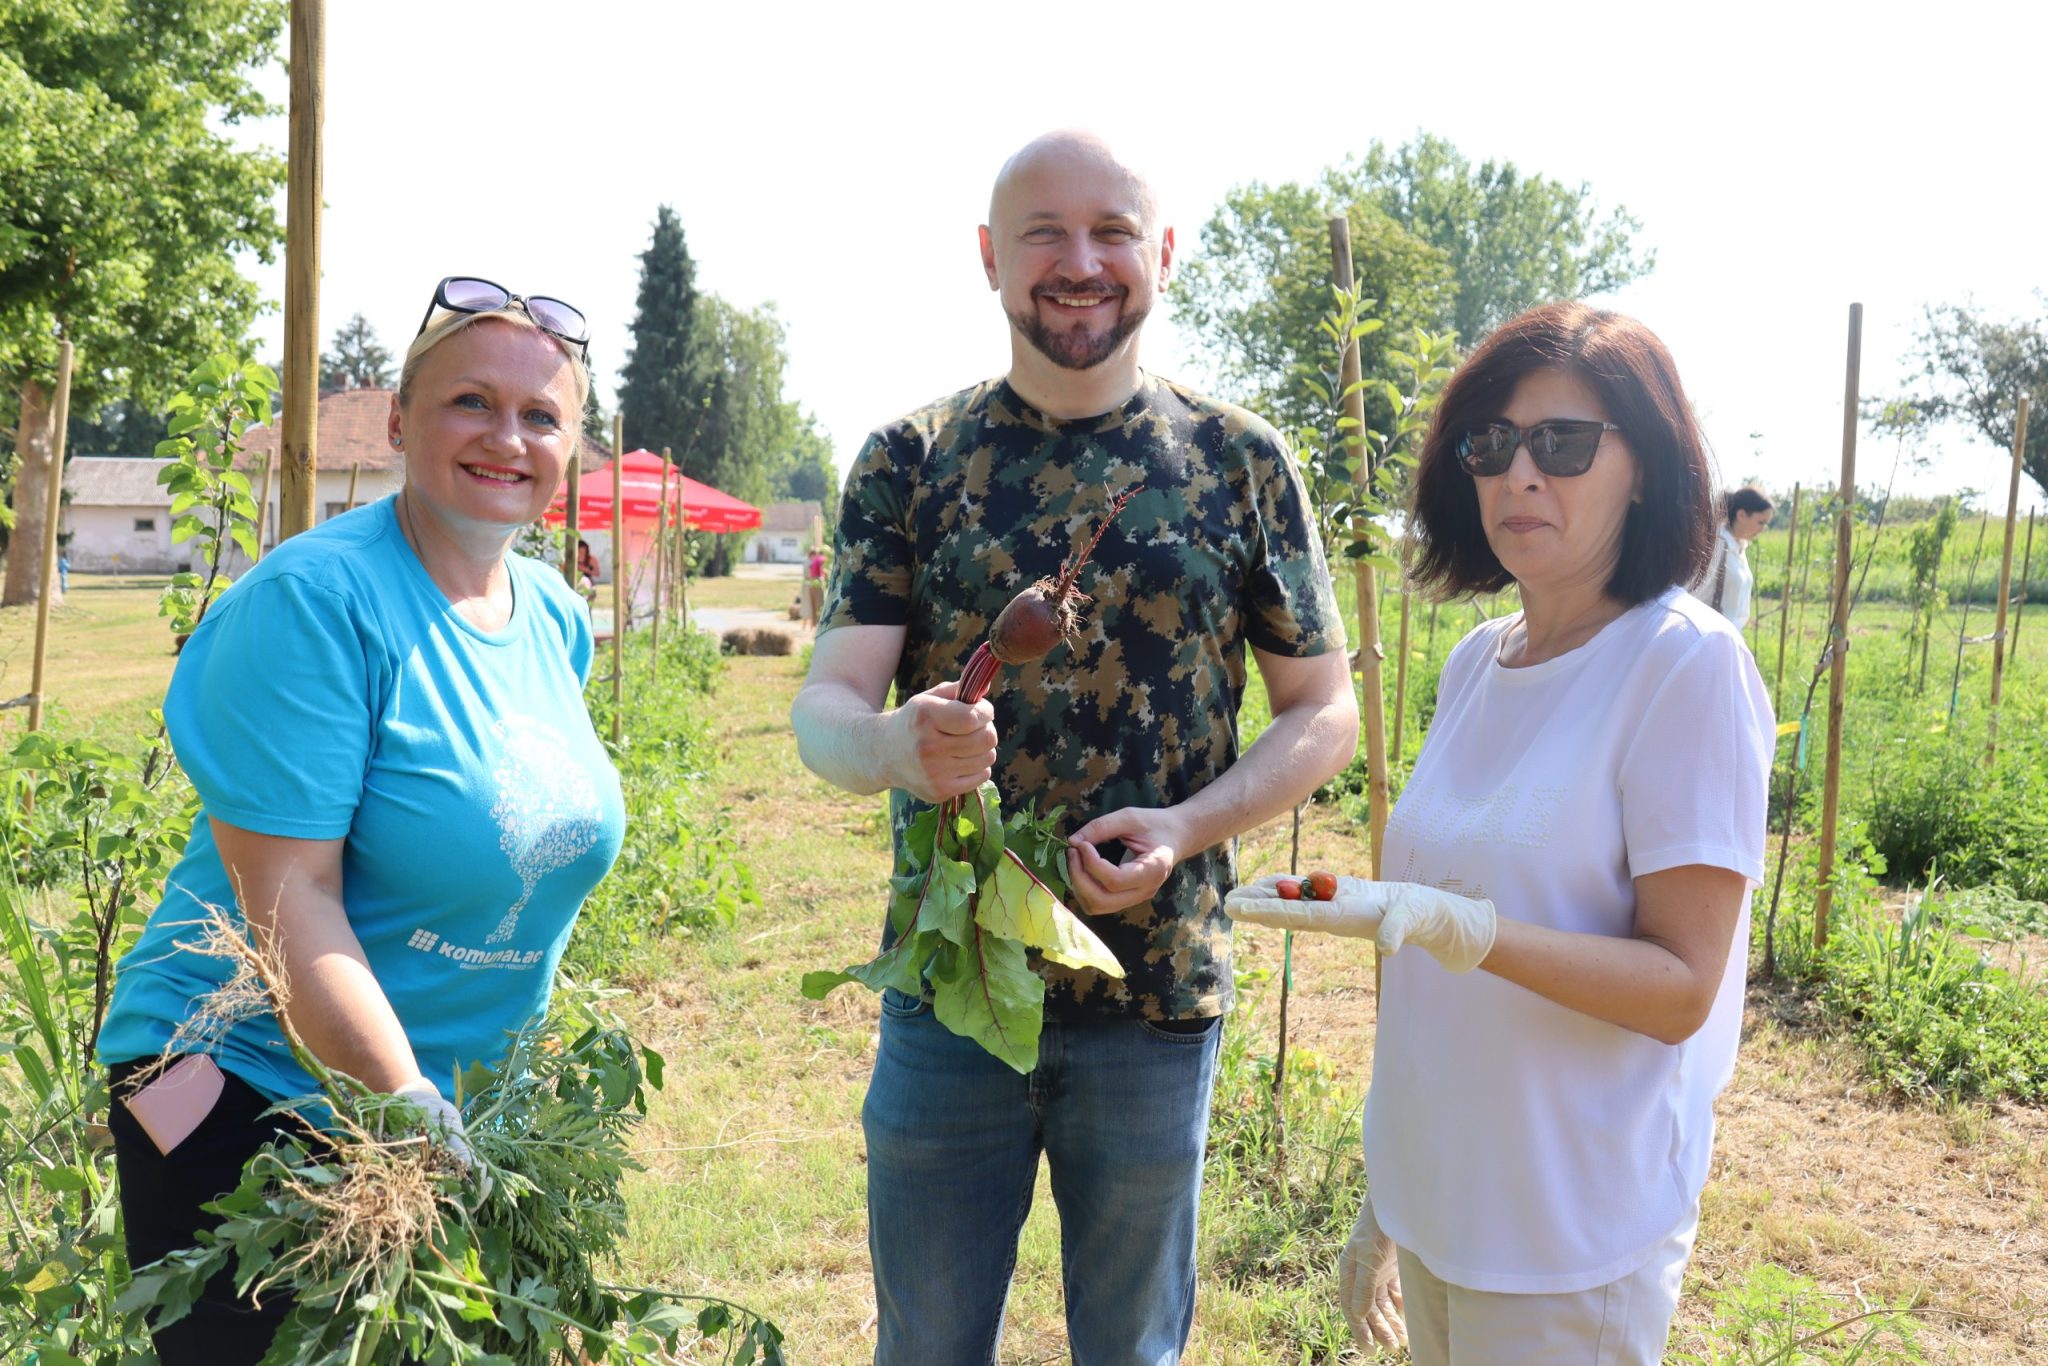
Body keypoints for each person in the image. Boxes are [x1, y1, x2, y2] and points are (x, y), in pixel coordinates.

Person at [791, 129, 1357, 1364]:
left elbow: (1325, 710)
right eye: (1043, 233)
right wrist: (893, 745)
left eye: (1111, 232)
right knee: (926, 1346)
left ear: (1162, 253)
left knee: (1132, 1350)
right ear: (989, 256)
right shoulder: (911, 459)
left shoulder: (1237, 460)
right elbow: (823, 707)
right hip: (952, 990)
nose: (1079, 261)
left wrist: (1186, 828)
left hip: (1153, 993)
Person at [1229, 301, 1774, 1365]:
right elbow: (1439, 992)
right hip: (1444, 1197)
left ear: (1644, 469)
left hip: (1567, 1231)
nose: (1520, 474)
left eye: (1563, 444)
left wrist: (1463, 927)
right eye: (1492, 444)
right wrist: (1392, 1187)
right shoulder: (1478, 661)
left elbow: (1680, 988)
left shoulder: (1683, 666)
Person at [96, 276, 625, 1366]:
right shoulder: (319, 603)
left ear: (571, 448)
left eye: (540, 415)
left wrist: (462, 1105)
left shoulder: (553, 620)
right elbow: (291, 896)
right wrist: (405, 1100)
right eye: (470, 401)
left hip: (440, 1115)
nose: (506, 438)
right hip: (246, 1091)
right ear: (397, 420)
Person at [1691, 485, 1774, 628]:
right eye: (1760, 522)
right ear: (1741, 515)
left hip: (1730, 635)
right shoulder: (1716, 545)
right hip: (1710, 633)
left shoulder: (1738, 546)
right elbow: (1693, 593)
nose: (1763, 529)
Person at [802, 542, 825, 630]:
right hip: (814, 583)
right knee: (816, 605)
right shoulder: (813, 562)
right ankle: (813, 625)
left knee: (811, 605)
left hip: (810, 584)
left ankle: (810, 625)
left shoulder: (808, 562)